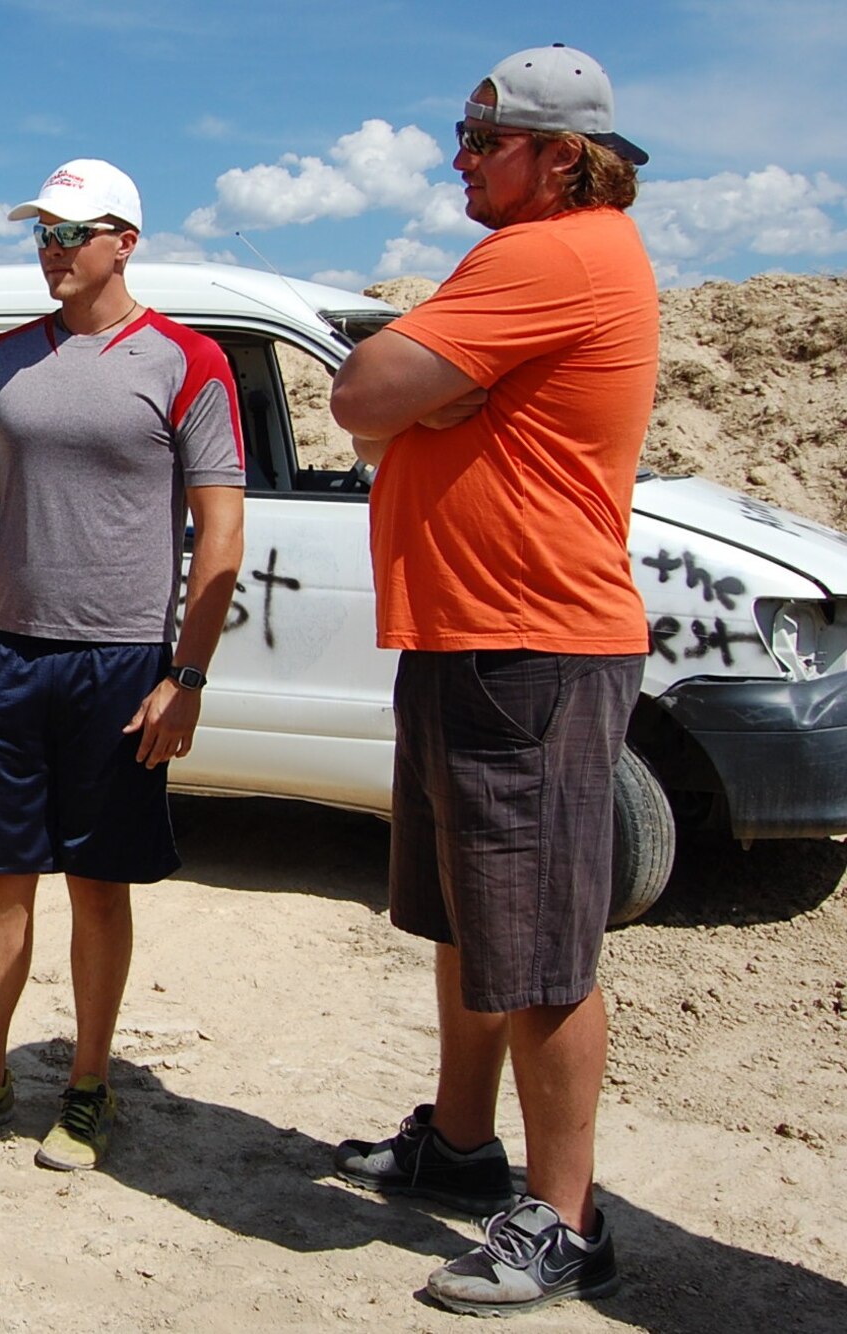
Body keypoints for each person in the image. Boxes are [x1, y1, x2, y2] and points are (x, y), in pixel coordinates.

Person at [328, 45, 657, 1317]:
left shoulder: (544, 256)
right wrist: (430, 404)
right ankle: (461, 1143)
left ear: (558, 156)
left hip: (529, 638)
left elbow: (359, 389)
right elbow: (382, 407)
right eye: (458, 135)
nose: (457, 158)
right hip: (479, 633)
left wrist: (423, 398)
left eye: (481, 141)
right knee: (475, 921)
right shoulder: (552, 257)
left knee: (538, 941)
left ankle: (563, 1217)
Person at [0, 159, 246, 1172]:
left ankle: (89, 1083)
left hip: (121, 664)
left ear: (123, 242)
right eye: (41, 232)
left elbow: (219, 533)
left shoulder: (186, 361)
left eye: (70, 232)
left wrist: (182, 677)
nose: (50, 250)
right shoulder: (3, 361)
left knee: (99, 883)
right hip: (13, 657)